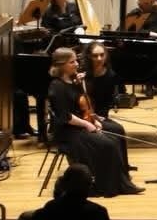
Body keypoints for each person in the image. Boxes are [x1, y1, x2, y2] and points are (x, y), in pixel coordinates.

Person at [46, 48, 143, 197]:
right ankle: (108, 186)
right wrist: (87, 124)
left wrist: (93, 118)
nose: (77, 64)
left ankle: (122, 183)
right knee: (109, 144)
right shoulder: (57, 87)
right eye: (72, 62)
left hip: (78, 126)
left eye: (76, 60)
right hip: (68, 133)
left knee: (114, 138)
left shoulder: (72, 81)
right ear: (61, 65)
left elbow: (82, 104)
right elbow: (65, 116)